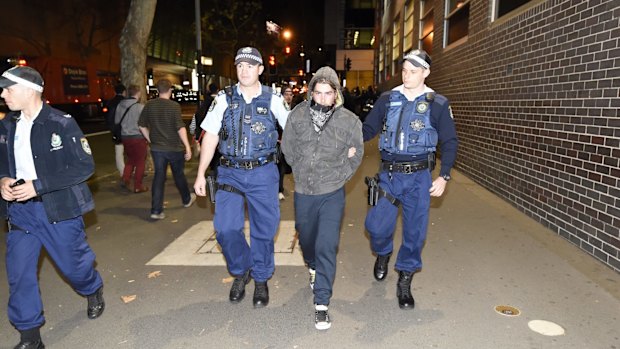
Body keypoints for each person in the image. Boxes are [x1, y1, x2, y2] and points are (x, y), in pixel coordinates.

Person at [0, 66, 105, 349]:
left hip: (57, 209)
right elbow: (1, 162)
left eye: (8, 89)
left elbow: (85, 166)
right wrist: (3, 179)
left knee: (74, 267)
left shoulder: (62, 123)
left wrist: (39, 185)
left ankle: (92, 287)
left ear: (29, 90)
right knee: (19, 273)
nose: (3, 94)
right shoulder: (7, 125)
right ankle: (30, 335)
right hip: (21, 212)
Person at [362, 49, 458, 310]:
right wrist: (349, 142)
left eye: (413, 71)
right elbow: (368, 128)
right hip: (390, 175)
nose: (407, 75)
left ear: (426, 73)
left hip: (419, 178)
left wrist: (444, 175)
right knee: (376, 226)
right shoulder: (387, 98)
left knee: (415, 233)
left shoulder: (437, 103)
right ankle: (382, 253)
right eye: (404, 70)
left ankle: (404, 279)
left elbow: (449, 141)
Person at [194, 46, 289, 308]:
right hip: (229, 172)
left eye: (250, 66)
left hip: (263, 172)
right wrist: (201, 173)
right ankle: (242, 269)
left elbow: (292, 131)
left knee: (264, 230)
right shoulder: (223, 99)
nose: (244, 70)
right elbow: (210, 136)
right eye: (240, 66)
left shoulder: (274, 99)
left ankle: (260, 279)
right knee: (225, 228)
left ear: (260, 69)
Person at [281, 66, 363, 330]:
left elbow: (357, 154)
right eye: (319, 93)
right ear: (311, 93)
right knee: (306, 237)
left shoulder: (349, 120)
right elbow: (288, 147)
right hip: (305, 190)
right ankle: (313, 266)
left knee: (327, 243)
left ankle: (321, 304)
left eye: (329, 93)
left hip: (332, 192)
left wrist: (339, 175)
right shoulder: (297, 115)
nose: (323, 98)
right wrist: (300, 170)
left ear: (336, 94)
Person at [138, 79, 196, 220]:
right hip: (174, 148)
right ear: (170, 90)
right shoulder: (174, 106)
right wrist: (188, 146)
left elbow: (141, 125)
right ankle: (186, 199)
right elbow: (180, 127)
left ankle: (156, 210)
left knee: (159, 177)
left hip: (157, 148)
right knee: (178, 175)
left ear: (157, 90)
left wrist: (150, 140)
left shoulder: (149, 105)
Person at [115, 84, 148, 193]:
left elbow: (116, 121)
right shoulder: (140, 107)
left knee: (130, 160)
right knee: (140, 161)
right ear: (138, 93)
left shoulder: (120, 105)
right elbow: (144, 123)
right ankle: (138, 185)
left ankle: (126, 178)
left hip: (125, 137)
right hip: (138, 137)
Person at [105, 83, 127, 177]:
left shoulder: (110, 102)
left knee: (119, 153)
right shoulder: (126, 102)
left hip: (116, 130)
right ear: (124, 92)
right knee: (132, 152)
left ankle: (123, 172)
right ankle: (132, 170)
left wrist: (112, 129)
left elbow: (109, 118)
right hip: (127, 130)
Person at [277, 85, 294, 200]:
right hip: (278, 142)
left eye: (290, 94)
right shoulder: (277, 108)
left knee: (285, 167)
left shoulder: (294, 109)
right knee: (279, 167)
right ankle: (279, 189)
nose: (288, 96)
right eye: (286, 94)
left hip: (290, 143)